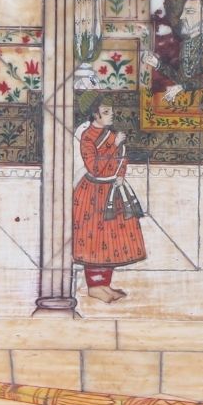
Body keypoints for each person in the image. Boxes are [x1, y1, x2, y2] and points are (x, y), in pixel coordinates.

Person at [72, 101, 146, 301]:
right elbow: (95, 167)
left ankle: (104, 285)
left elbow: (122, 157)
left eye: (111, 111)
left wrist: (121, 174)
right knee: (94, 240)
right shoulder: (87, 137)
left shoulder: (112, 134)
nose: (111, 115)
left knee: (111, 241)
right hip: (93, 193)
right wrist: (112, 144)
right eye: (106, 112)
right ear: (95, 115)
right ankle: (94, 287)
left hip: (113, 190)